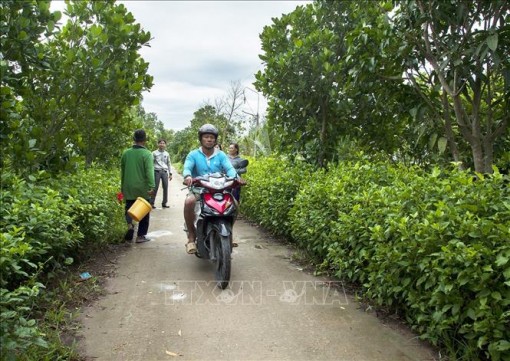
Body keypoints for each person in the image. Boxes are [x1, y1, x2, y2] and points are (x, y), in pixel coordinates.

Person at [182, 124, 245, 254]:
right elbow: (187, 167)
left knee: (235, 204)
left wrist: (236, 178)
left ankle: (229, 233)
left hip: (219, 190)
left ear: (215, 140)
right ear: (201, 139)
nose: (209, 139)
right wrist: (188, 176)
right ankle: (191, 238)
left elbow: (229, 169)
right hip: (199, 189)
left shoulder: (221, 155)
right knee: (189, 202)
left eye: (212, 137)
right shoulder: (193, 154)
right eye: (206, 137)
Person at [121, 129, 155, 243]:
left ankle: (130, 226)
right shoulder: (147, 154)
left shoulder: (126, 153)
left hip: (128, 186)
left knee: (129, 207)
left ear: (134, 139)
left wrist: (123, 187)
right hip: (142, 188)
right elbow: (149, 172)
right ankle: (140, 236)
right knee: (144, 211)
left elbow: (123, 171)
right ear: (145, 140)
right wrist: (152, 187)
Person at [151, 139, 172, 209]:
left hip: (164, 172)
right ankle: (151, 203)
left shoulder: (167, 153)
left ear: (165, 145)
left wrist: (170, 173)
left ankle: (164, 203)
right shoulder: (154, 153)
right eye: (160, 143)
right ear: (158, 144)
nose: (162, 144)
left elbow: (169, 163)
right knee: (155, 188)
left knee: (165, 187)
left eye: (163, 143)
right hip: (156, 171)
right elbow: (151, 163)